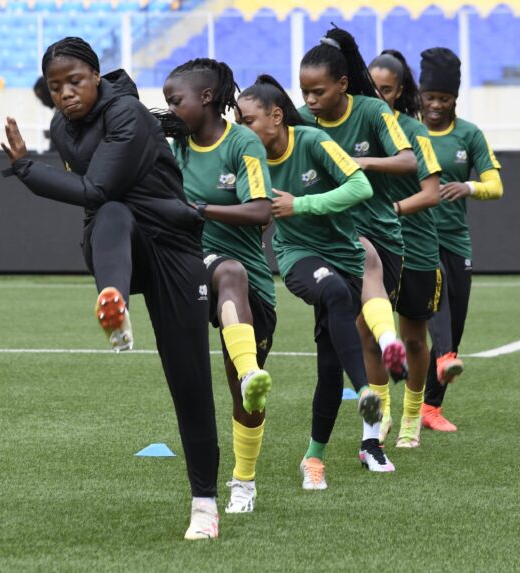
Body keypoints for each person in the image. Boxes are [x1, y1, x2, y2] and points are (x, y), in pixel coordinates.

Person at [0, 37, 220, 540]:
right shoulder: (61, 127)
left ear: (97, 76)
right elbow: (98, 205)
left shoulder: (128, 116)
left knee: (189, 380)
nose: (65, 94)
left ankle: (205, 504)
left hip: (172, 248)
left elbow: (96, 187)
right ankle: (114, 301)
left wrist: (26, 169)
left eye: (75, 81)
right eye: (56, 87)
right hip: (115, 241)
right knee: (113, 213)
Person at [236, 74, 377, 486]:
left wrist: (303, 204)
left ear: (276, 117)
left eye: (248, 120)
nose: (241, 129)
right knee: (330, 290)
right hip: (296, 257)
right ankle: (366, 391)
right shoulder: (249, 158)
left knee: (329, 365)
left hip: (345, 257)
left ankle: (313, 458)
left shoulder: (313, 141)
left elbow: (362, 185)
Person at [299, 26, 419, 471]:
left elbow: (409, 161)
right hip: (327, 242)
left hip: (381, 236)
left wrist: (357, 164)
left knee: (360, 336)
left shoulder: (371, 111)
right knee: (341, 347)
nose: (310, 101)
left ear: (343, 85)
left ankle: (373, 432)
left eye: (318, 92)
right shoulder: (301, 120)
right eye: (304, 93)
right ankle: (360, 441)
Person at [163, 58, 275, 514]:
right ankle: (250, 371)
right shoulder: (175, 147)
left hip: (253, 287)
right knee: (226, 272)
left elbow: (262, 211)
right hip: (197, 270)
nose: (170, 109)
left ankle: (243, 482)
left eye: (176, 101)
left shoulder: (242, 142)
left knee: (244, 398)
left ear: (206, 98)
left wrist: (201, 209)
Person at [418, 47, 504, 432]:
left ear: (455, 99)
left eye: (444, 98)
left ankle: (430, 408)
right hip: (415, 238)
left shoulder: (469, 134)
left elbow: (495, 185)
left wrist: (468, 186)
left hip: (455, 241)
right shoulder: (405, 130)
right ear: (419, 96)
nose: (436, 105)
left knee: (456, 325)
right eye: (430, 98)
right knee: (431, 307)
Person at [368, 49, 444, 447]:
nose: (379, 96)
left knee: (413, 338)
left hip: (414, 248)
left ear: (399, 93)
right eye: (372, 87)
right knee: (370, 336)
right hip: (372, 250)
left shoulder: (414, 133)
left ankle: (413, 416)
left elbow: (431, 193)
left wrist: (391, 209)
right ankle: (380, 416)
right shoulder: (354, 126)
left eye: (387, 90)